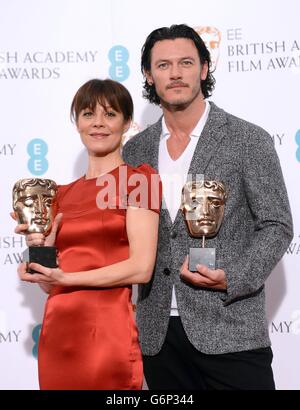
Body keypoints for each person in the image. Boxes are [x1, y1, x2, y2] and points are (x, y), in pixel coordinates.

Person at [122, 24, 293, 390]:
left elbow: (277, 224)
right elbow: (125, 231)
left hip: (229, 328)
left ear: (203, 69)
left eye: (186, 62)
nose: (176, 73)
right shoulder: (135, 151)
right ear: (149, 76)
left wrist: (233, 275)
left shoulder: (248, 139)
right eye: (163, 65)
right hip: (158, 336)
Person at [14, 78, 161, 390]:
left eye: (109, 114)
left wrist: (67, 279)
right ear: (76, 122)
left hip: (106, 332)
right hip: (58, 333)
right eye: (87, 114)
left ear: (126, 123)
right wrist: (37, 251)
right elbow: (48, 284)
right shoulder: (59, 195)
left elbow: (142, 267)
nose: (98, 123)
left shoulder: (140, 180)